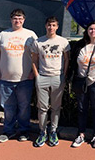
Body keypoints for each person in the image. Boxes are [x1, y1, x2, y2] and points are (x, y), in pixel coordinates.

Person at [0, 9, 37, 143]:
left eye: (20, 18)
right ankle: (8, 131)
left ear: (24, 20)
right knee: (8, 108)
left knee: (24, 107)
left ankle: (24, 131)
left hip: (25, 80)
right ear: (11, 20)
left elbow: (36, 55)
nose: (17, 21)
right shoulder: (2, 35)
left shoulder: (30, 35)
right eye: (15, 18)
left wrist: (32, 73)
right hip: (5, 80)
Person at [31, 16, 70, 147]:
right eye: (49, 25)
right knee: (42, 108)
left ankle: (53, 131)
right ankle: (42, 132)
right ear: (45, 26)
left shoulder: (63, 42)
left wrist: (63, 75)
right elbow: (34, 60)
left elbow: (67, 59)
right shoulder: (38, 42)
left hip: (57, 78)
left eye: (53, 25)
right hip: (42, 77)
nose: (51, 27)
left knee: (56, 107)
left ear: (57, 27)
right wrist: (37, 76)